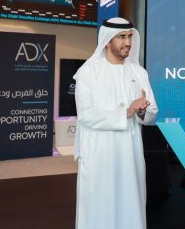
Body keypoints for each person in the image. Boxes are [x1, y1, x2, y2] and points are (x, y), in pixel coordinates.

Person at [73, 17, 158, 229]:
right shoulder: (89, 72)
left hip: (130, 153)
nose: (127, 42)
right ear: (107, 41)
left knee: (130, 204)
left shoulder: (139, 72)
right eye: (121, 37)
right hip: (99, 153)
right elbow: (86, 114)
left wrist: (141, 111)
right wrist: (125, 112)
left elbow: (152, 113)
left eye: (130, 37)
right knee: (98, 207)